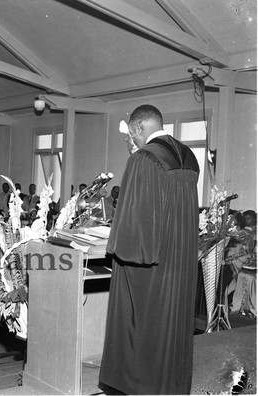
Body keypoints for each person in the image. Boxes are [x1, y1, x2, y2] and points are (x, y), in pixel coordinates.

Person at [99, 104, 200, 395]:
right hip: (179, 260)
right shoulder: (188, 156)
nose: (132, 140)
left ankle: (141, 387)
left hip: (152, 265)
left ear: (139, 128)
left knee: (144, 326)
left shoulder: (144, 158)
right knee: (172, 328)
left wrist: (117, 247)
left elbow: (136, 224)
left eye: (133, 134)